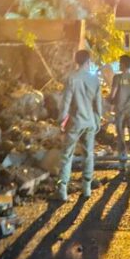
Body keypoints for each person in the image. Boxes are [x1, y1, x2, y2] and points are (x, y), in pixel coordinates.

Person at [56, 50, 102, 202]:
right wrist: (98, 121)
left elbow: (66, 103)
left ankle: (63, 190)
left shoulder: (71, 78)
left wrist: (61, 121)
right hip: (90, 122)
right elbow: (98, 105)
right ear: (88, 62)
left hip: (75, 123)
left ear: (76, 61)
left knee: (67, 155)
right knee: (88, 154)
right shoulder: (95, 79)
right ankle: (87, 188)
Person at [110, 54, 130, 174]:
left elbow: (112, 94)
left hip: (120, 110)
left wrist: (109, 101)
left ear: (123, 64)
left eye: (119, 62)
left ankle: (122, 163)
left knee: (121, 137)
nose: (118, 64)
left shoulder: (117, 78)